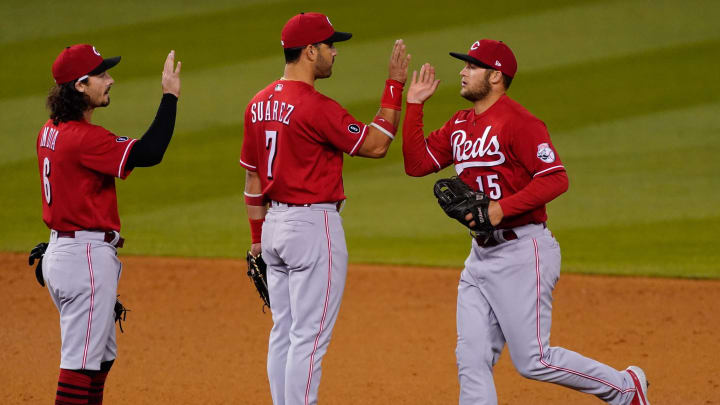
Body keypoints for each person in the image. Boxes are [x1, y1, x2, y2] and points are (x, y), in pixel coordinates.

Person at [401, 39, 650, 405]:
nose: (463, 71)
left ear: (496, 76)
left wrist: (501, 209)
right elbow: (417, 164)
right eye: (465, 64)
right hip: (480, 256)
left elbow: (555, 178)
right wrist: (414, 106)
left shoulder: (520, 122)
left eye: (472, 65)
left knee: (534, 360)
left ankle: (625, 388)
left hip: (523, 251)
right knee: (471, 358)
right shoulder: (460, 124)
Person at [239, 12, 409, 405]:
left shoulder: (257, 104)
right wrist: (394, 86)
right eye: (330, 46)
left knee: (284, 331)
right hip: (312, 228)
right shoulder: (316, 106)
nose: (335, 53)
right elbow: (377, 143)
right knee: (309, 340)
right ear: (310, 51)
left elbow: (251, 182)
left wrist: (256, 241)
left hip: (273, 228)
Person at [34, 44, 181, 404]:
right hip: (82, 258)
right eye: (102, 75)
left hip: (65, 248)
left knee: (100, 358)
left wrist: (59, 244)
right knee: (80, 365)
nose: (110, 80)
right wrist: (170, 97)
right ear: (80, 85)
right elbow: (150, 153)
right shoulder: (84, 139)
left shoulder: (49, 131)